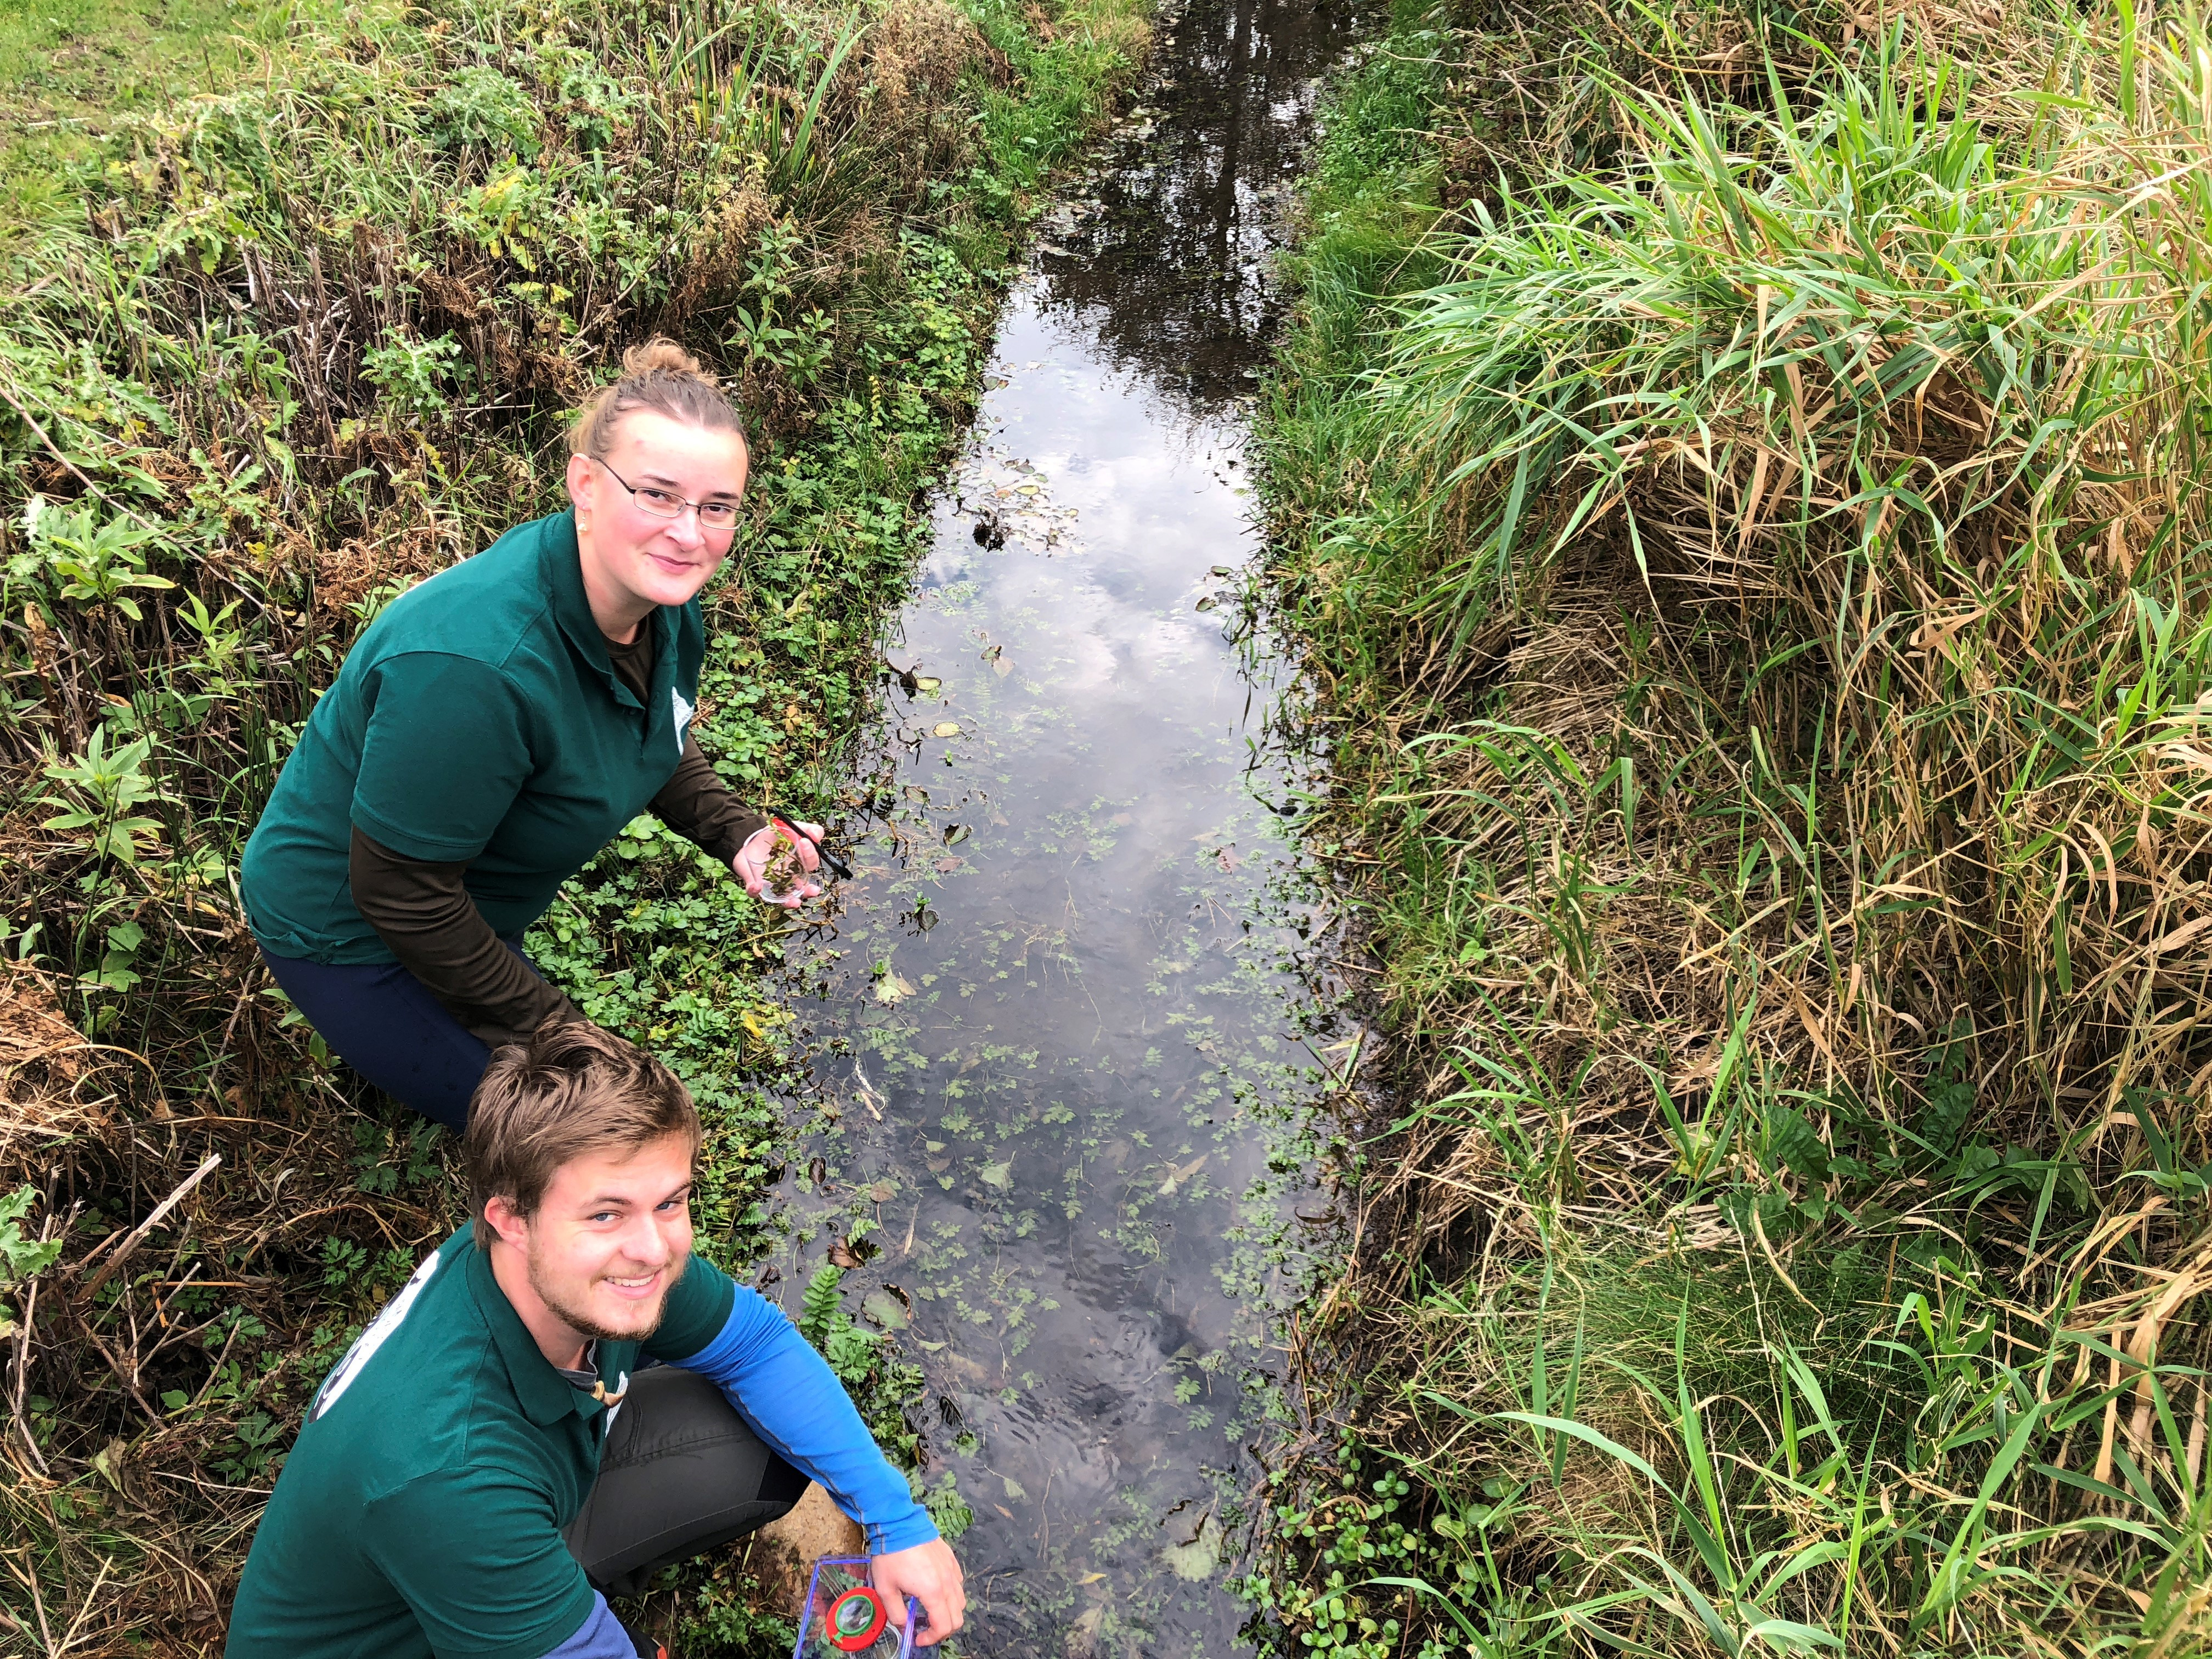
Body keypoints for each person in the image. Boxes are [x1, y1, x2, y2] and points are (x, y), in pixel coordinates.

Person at [225, 1022, 964, 1657]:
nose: (652, 1249)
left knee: (760, 1453)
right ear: (511, 1218)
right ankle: (549, 1604)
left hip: (484, 1531)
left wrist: (896, 1523)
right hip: (414, 1617)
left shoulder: (560, 1267)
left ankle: (555, 1591)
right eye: (606, 1214)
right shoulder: (442, 1470)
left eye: (670, 1202)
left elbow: (758, 1344)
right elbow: (456, 1484)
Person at [239, 340, 825, 1128]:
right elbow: (403, 896)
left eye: (717, 507)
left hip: (463, 896)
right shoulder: (473, 670)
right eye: (657, 495)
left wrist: (738, 833)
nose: (690, 533)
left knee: (515, 1064)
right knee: (582, 1130)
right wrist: (567, 1038)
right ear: (585, 484)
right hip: (354, 928)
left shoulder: (659, 604)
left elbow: (651, 730)